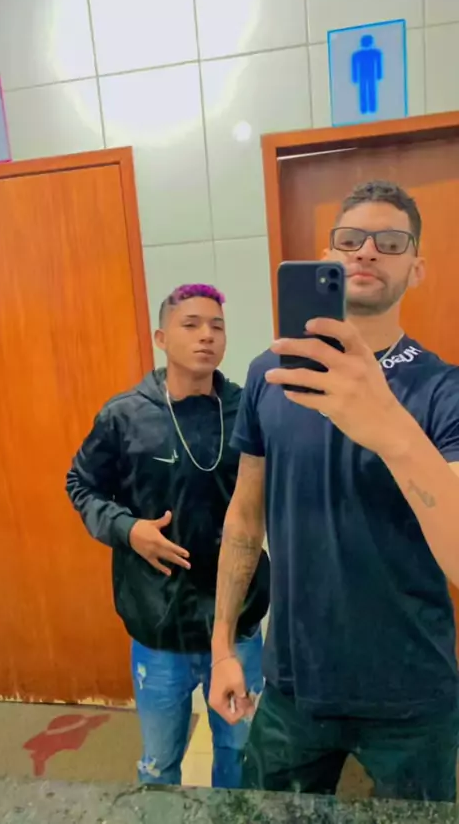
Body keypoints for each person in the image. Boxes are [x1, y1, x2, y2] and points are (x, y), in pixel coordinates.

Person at [209, 181, 459, 802]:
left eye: (391, 242)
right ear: (328, 257)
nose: (367, 251)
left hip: (412, 693)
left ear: (417, 267)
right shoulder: (271, 374)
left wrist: (390, 426)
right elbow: (245, 518)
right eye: (351, 239)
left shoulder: (445, 391)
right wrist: (221, 647)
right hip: (294, 686)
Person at [66, 283, 269, 789]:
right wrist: (128, 529)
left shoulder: (248, 411)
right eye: (191, 324)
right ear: (161, 338)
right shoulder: (124, 416)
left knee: (240, 754)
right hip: (158, 624)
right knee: (159, 762)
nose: (207, 336)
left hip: (238, 623)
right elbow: (81, 484)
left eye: (217, 326)